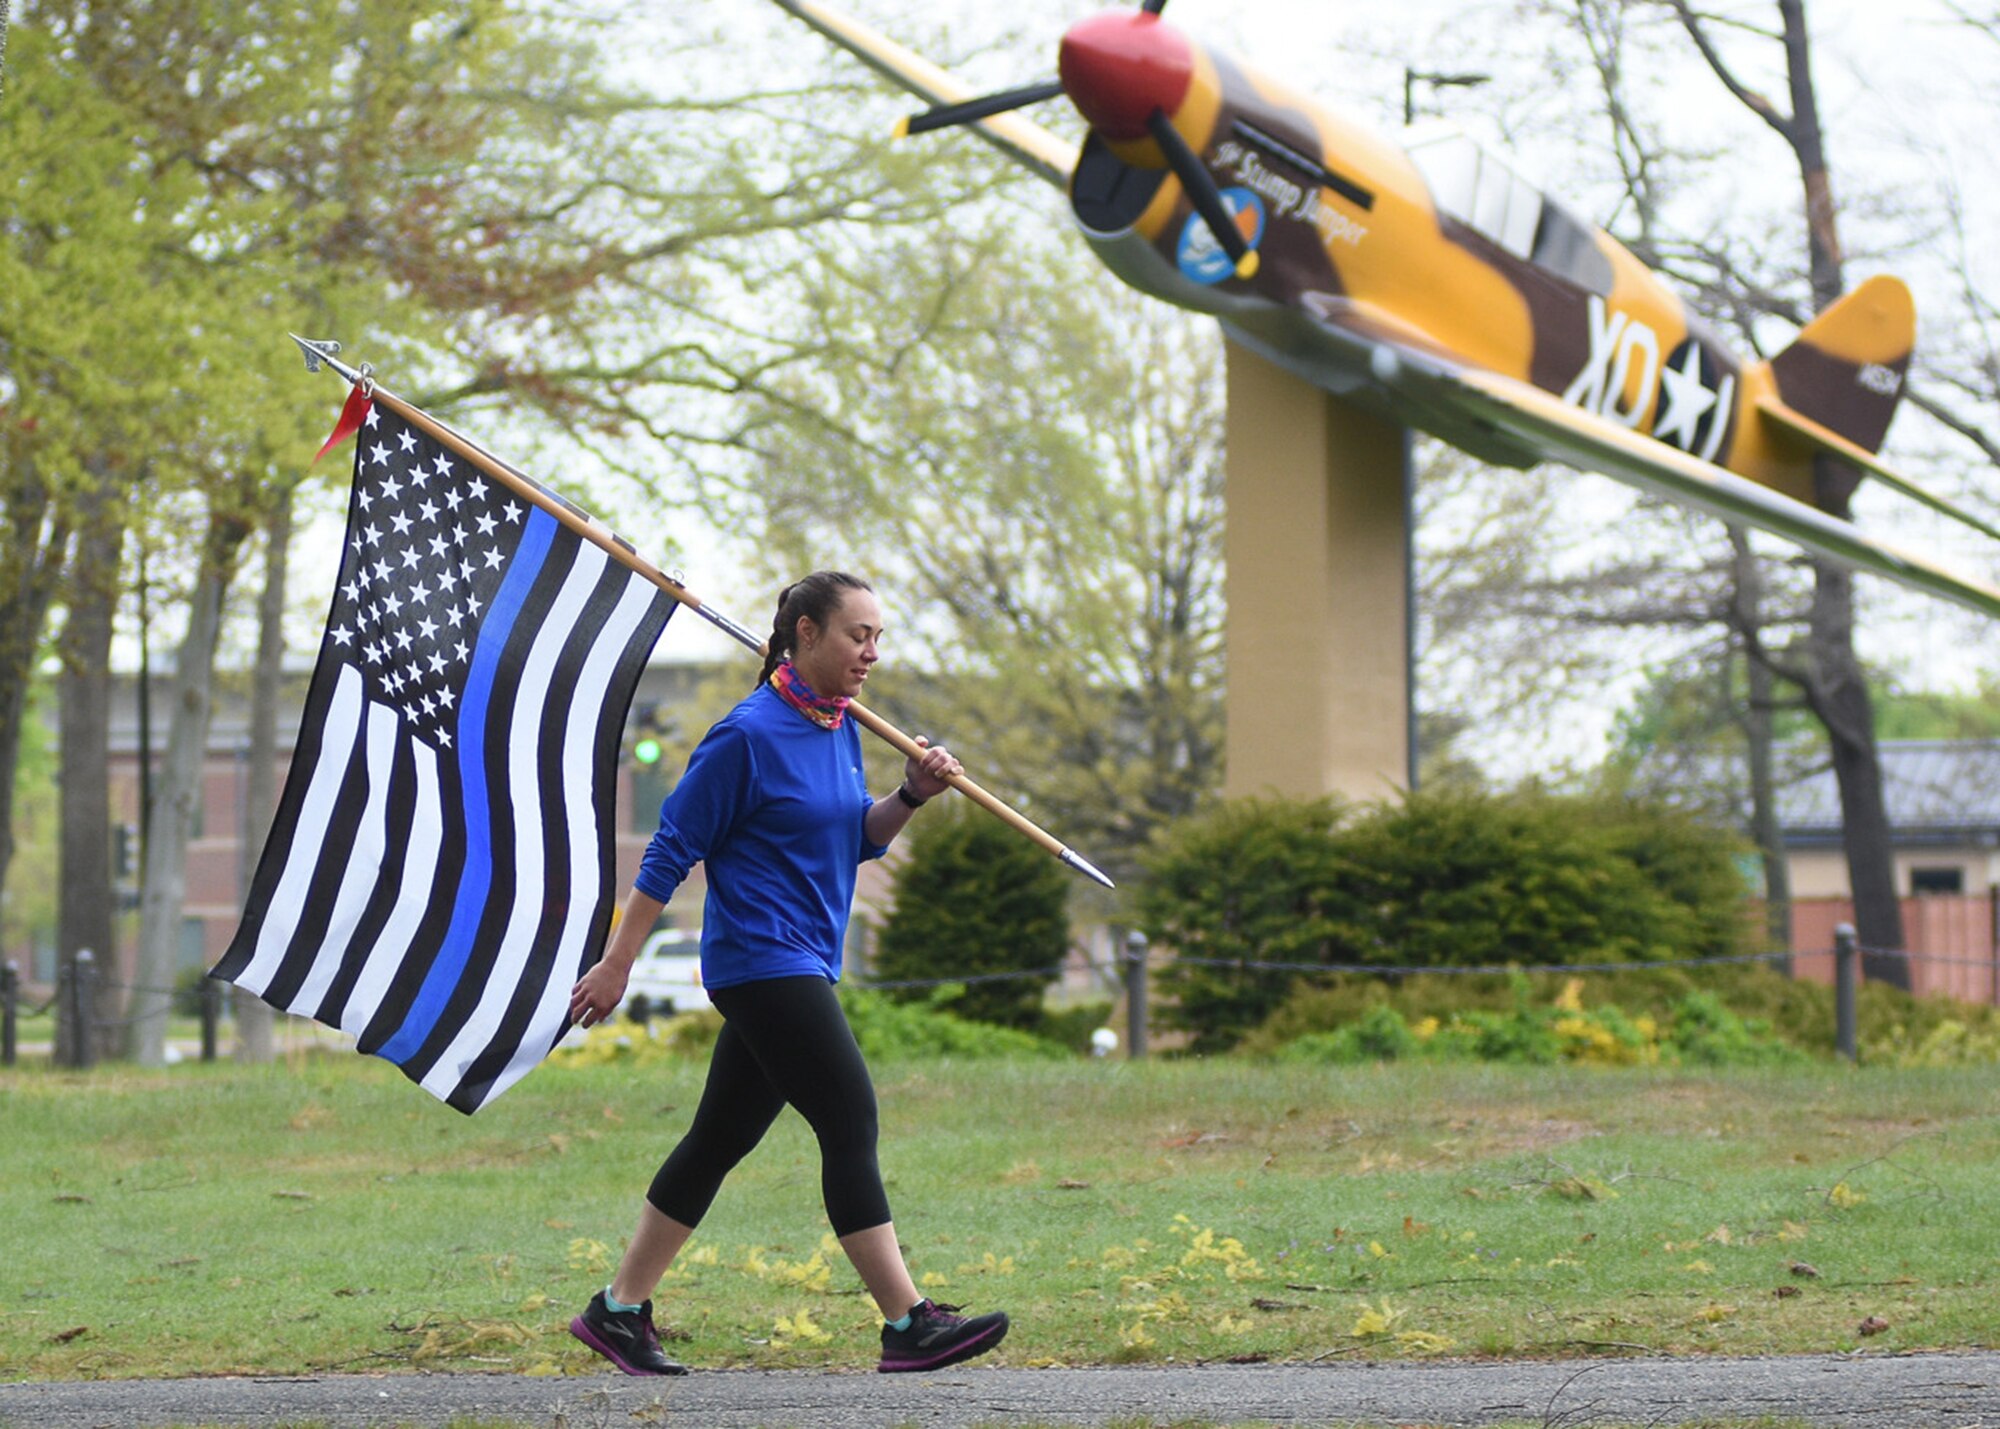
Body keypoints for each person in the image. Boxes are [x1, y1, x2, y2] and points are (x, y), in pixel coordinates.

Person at [565, 571, 1010, 1377]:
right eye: (856, 634)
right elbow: (672, 848)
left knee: (718, 1138)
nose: (871, 652)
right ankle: (907, 1323)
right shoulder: (746, 735)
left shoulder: (840, 724)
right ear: (805, 633)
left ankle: (618, 1311)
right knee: (850, 1116)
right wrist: (617, 960)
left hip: (804, 957)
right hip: (760, 961)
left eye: (878, 637)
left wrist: (910, 793)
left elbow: (855, 838)